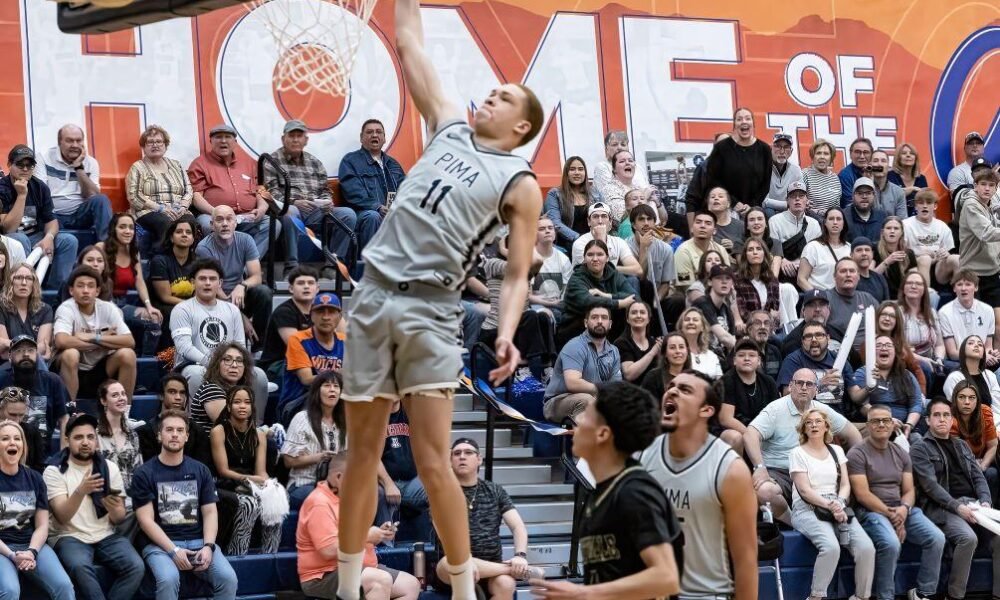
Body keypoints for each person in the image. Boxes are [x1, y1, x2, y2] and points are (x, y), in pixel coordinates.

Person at [337, 1, 546, 597]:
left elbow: (515, 274)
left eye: (505, 96)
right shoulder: (450, 124)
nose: (491, 95)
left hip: (432, 310)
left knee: (433, 462)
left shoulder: (521, 183)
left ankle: (459, 588)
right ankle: (349, 588)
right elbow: (410, 43)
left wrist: (505, 330)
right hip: (374, 296)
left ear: (521, 126)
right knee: (362, 454)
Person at [532, 382, 681, 599]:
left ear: (602, 434)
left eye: (585, 417)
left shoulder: (635, 493)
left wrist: (584, 593)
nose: (576, 423)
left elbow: (666, 577)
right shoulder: (603, 492)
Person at [640, 370, 757, 600]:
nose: (672, 391)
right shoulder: (642, 455)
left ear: (706, 410)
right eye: (671, 386)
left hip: (703, 594)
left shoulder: (730, 470)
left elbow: (746, 560)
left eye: (685, 390)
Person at [130, 409, 238, 600]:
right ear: (159, 435)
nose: (174, 434)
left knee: (228, 578)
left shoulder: (200, 470)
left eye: (180, 430)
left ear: (187, 436)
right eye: (169, 429)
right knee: (169, 579)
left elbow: (211, 512)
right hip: (160, 546)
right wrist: (173, 550)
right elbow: (145, 521)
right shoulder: (144, 473)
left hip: (198, 542)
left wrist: (208, 546)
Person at [848, 404, 945, 600]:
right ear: (868, 425)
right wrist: (892, 515)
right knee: (891, 543)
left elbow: (909, 490)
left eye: (886, 420)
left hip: (902, 509)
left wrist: (904, 509)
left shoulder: (901, 452)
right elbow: (862, 495)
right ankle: (885, 596)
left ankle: (923, 593)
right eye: (876, 421)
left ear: (893, 424)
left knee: (936, 538)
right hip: (871, 511)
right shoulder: (857, 453)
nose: (881, 424)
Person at [44, 412, 145, 600]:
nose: (85, 442)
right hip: (68, 536)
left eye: (90, 437)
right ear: (67, 440)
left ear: (97, 441)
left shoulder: (109, 467)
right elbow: (62, 517)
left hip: (105, 534)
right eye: (78, 437)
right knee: (80, 567)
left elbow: (119, 518)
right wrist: (81, 491)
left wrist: (114, 508)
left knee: (136, 567)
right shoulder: (54, 470)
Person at [296, 452, 421, 600]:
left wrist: (380, 533)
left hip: (361, 567)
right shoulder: (319, 502)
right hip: (324, 575)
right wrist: (367, 535)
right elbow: (328, 549)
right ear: (339, 478)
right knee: (379, 581)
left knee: (410, 585)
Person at [745, 368, 862, 525]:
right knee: (764, 491)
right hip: (781, 472)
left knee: (852, 481)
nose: (804, 387)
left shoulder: (821, 410)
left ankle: (842, 523)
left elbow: (853, 434)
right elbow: (750, 434)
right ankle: (795, 523)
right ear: (791, 386)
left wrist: (853, 466)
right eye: (799, 383)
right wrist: (759, 467)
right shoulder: (775, 408)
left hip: (814, 471)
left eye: (809, 384)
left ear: (816, 390)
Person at [910, 398, 1000, 600]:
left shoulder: (961, 444)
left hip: (975, 505)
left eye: (946, 415)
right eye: (937, 415)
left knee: (999, 537)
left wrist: (985, 500)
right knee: (968, 538)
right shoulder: (920, 448)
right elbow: (930, 487)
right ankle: (954, 595)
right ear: (927, 420)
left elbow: (978, 476)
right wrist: (958, 507)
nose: (942, 419)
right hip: (943, 507)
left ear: (952, 420)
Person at [789, 409, 875, 600]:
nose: (813, 425)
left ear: (826, 426)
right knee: (831, 547)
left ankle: (861, 596)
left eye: (818, 421)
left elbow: (844, 484)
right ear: (803, 428)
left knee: (866, 547)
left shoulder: (836, 451)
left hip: (837, 504)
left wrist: (840, 502)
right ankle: (816, 597)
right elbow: (804, 490)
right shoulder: (797, 452)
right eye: (809, 422)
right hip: (808, 507)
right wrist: (831, 505)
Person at [436, 438, 533, 598]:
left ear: (479, 459)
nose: (462, 456)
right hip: (453, 565)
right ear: (450, 460)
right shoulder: (442, 493)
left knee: (507, 584)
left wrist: (520, 555)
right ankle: (510, 569)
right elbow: (444, 537)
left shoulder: (494, 490)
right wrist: (467, 563)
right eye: (456, 453)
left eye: (468, 452)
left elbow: (518, 527)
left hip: (491, 568)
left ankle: (506, 570)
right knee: (450, 564)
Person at [170, 260, 269, 414]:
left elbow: (239, 346)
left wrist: (232, 364)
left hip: (229, 363)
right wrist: (213, 364)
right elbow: (184, 347)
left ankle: (255, 426)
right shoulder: (182, 309)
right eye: (202, 279)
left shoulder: (232, 310)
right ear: (192, 283)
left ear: (220, 283)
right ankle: (194, 427)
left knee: (259, 375)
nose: (207, 283)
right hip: (194, 364)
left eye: (212, 279)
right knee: (197, 374)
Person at [267, 119, 357, 270]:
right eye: (291, 135)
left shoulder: (314, 162)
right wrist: (294, 202)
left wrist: (327, 201)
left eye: (299, 135)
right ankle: (292, 266)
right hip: (287, 209)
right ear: (283, 139)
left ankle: (332, 266)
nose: (295, 139)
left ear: (306, 140)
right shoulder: (272, 160)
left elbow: (325, 189)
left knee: (348, 214)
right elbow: (269, 191)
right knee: (290, 212)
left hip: (316, 210)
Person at [0, 420, 74, 599]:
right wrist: (12, 555)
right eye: (5, 438)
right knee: (10, 590)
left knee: (64, 586)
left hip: (30, 544)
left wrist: (31, 552)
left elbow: (42, 526)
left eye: (17, 438)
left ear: (23, 445)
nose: (12, 442)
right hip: (3, 548)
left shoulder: (35, 478)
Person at [210, 385, 282, 555]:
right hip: (226, 483)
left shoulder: (259, 434)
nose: (242, 406)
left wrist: (268, 485)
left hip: (251, 483)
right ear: (228, 406)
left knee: (277, 499)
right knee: (248, 504)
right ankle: (237, 554)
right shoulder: (219, 431)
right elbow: (223, 470)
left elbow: (261, 471)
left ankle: (269, 555)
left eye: (247, 402)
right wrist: (249, 479)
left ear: (252, 407)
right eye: (237, 402)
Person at [188, 123, 276, 257]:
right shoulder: (200, 164)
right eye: (218, 137)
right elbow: (196, 197)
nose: (223, 140)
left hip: (247, 215)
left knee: (272, 224)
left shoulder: (249, 163)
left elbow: (260, 191)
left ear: (235, 142)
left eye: (227, 137)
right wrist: (215, 212)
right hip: (214, 214)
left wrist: (262, 208)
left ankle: (247, 266)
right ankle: (222, 267)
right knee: (206, 224)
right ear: (211, 141)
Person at [195, 205, 273, 349]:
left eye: (229, 219)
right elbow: (211, 286)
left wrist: (241, 286)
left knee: (263, 292)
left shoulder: (246, 240)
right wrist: (241, 317)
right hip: (215, 300)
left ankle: (259, 347)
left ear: (235, 222)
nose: (225, 223)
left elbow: (256, 277)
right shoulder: (204, 248)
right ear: (212, 225)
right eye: (219, 220)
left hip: (239, 297)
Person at [52, 266, 136, 400]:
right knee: (70, 353)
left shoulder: (108, 308)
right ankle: (69, 411)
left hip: (100, 370)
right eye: (80, 286)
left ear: (97, 291)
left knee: (128, 354)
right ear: (71, 290)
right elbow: (62, 341)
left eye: (90, 286)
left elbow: (129, 341)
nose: (85, 291)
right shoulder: (66, 308)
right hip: (72, 369)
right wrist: (105, 341)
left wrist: (93, 337)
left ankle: (124, 414)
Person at [0, 145, 76, 290]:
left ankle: (56, 292)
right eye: (20, 164)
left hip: (35, 236)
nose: (25, 169)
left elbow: (51, 221)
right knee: (21, 240)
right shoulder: (2, 188)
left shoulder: (40, 187)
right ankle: (22, 287)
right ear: (9, 165)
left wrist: (49, 238)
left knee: (69, 241)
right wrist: (22, 195)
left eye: (30, 165)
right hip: (7, 240)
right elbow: (9, 228)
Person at [338, 119, 407, 254]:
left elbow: (406, 189)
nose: (375, 135)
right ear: (361, 138)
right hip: (363, 213)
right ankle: (369, 266)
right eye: (369, 132)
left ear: (384, 138)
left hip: (389, 212)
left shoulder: (393, 164)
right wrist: (378, 207)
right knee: (373, 216)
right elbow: (354, 193)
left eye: (378, 132)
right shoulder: (350, 161)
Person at [544, 305, 622, 423]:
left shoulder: (614, 351)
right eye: (594, 317)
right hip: (559, 401)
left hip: (595, 398)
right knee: (587, 401)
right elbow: (573, 383)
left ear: (610, 324)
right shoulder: (575, 346)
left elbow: (615, 386)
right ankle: (587, 439)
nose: (600, 321)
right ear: (586, 323)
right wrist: (603, 390)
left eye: (604, 317)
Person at [35, 124, 113, 242]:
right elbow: (40, 193)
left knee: (101, 200)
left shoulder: (91, 162)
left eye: (78, 140)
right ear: (60, 142)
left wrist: (79, 168)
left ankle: (107, 247)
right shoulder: (44, 158)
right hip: (52, 215)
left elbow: (92, 195)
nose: (75, 145)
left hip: (79, 215)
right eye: (69, 141)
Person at [98, 212, 163, 351]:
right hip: (101, 304)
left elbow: (139, 280)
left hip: (122, 304)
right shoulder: (101, 248)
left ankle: (146, 365)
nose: (128, 231)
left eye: (131, 227)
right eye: (122, 227)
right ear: (113, 229)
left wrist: (149, 306)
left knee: (154, 320)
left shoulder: (134, 252)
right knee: (115, 318)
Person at [281, 371, 346, 509]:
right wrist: (320, 457)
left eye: (336, 386)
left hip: (337, 483)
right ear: (317, 391)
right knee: (324, 498)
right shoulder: (302, 418)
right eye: (327, 386)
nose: (332, 389)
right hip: (304, 483)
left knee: (374, 493)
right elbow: (288, 460)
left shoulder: (346, 422)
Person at [126, 125, 194, 247]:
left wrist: (183, 207)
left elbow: (188, 190)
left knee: (190, 224)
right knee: (166, 223)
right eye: (150, 142)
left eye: (159, 141)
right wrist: (161, 208)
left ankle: (188, 262)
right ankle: (163, 260)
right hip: (150, 212)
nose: (155, 145)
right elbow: (134, 197)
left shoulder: (176, 165)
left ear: (165, 145)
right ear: (143, 147)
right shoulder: (138, 167)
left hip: (178, 210)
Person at [280, 292, 345, 419]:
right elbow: (307, 380)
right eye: (320, 311)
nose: (326, 317)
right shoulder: (298, 340)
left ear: (339, 317)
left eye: (331, 312)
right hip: (299, 404)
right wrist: (343, 372)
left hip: (335, 400)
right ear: (312, 315)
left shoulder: (346, 342)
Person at [557, 240, 633, 344]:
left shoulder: (613, 274)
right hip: (576, 330)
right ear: (584, 259)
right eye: (590, 255)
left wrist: (607, 295)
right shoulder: (577, 278)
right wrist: (619, 303)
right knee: (595, 313)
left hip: (608, 329)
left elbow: (634, 297)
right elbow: (588, 301)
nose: (595, 259)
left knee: (627, 311)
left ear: (607, 258)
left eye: (600, 254)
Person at [777, 320, 861, 413]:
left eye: (819, 335)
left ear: (828, 338)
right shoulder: (793, 360)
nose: (814, 339)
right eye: (808, 336)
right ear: (802, 341)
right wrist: (819, 386)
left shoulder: (839, 360)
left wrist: (869, 387)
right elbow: (786, 396)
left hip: (837, 418)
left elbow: (855, 395)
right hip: (805, 418)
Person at [852, 336, 924, 434]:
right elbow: (862, 405)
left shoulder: (907, 375)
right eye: (878, 345)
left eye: (888, 345)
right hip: (877, 425)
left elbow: (916, 403)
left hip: (905, 426)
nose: (884, 348)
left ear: (895, 352)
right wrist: (887, 420)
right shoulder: (862, 373)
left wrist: (909, 425)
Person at [137, 374, 211, 466]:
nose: (178, 397)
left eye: (182, 393)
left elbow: (203, 470)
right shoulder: (144, 432)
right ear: (161, 395)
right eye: (172, 392)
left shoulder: (198, 431)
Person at [705, 108, 771, 210]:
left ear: (753, 124)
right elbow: (713, 179)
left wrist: (752, 206)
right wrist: (733, 202)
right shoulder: (721, 148)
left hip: (754, 209)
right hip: (726, 207)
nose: (744, 121)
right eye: (739, 119)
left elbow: (766, 183)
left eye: (748, 118)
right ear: (734, 125)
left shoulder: (764, 149)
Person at [260, 265, 318, 380]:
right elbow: (298, 347)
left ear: (317, 288)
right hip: (278, 366)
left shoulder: (322, 311)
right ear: (291, 288)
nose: (306, 286)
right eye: (301, 283)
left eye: (311, 283)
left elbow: (342, 338)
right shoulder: (284, 312)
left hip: (311, 360)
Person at [189, 342, 258, 437]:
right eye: (227, 360)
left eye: (239, 360)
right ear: (217, 364)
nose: (234, 365)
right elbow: (230, 426)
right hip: (210, 448)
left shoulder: (241, 392)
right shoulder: (211, 389)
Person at [719, 337, 779, 439]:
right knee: (734, 436)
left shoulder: (768, 382)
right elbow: (726, 419)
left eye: (752, 355)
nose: (747, 358)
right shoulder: (727, 380)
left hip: (763, 431)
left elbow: (777, 414)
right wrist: (751, 435)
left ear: (759, 361)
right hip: (737, 432)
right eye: (741, 355)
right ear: (734, 360)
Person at [958, 169, 1000, 314]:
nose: (987, 188)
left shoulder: (992, 205)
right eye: (983, 184)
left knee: (998, 322)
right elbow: (987, 233)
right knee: (976, 323)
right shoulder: (971, 205)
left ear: (996, 188)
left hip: (992, 271)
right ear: (975, 186)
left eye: (991, 185)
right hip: (972, 272)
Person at [95, 379, 144, 504]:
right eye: (115, 395)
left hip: (132, 500)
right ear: (103, 401)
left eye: (123, 394)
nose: (121, 398)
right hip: (105, 499)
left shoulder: (133, 435)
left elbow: (139, 471)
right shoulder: (94, 434)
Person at [148, 215, 199, 330]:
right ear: (171, 238)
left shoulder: (197, 263)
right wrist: (190, 307)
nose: (184, 234)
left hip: (190, 305)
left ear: (193, 239)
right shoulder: (160, 261)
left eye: (188, 232)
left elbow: (198, 293)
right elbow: (165, 297)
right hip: (166, 306)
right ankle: (169, 349)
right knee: (177, 314)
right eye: (179, 231)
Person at [949, 380, 999, 498]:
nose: (967, 402)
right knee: (991, 474)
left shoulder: (984, 412)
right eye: (962, 397)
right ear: (955, 399)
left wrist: (983, 465)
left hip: (982, 461)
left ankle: (990, 509)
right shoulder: (949, 418)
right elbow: (958, 455)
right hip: (960, 467)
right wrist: (975, 466)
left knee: (991, 473)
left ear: (977, 400)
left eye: (972, 398)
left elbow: (993, 445)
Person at [939, 270, 1000, 365]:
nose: (963, 288)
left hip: (981, 360)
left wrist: (991, 353)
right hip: (957, 362)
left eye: (968, 284)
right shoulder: (945, 312)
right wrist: (982, 356)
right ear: (954, 289)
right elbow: (952, 353)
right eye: (959, 285)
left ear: (976, 287)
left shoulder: (987, 310)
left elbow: (988, 347)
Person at [569, 202, 641, 276]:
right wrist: (601, 239)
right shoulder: (580, 243)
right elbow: (595, 272)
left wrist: (612, 269)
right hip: (587, 284)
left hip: (612, 283)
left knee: (632, 280)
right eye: (595, 217)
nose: (600, 221)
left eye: (604, 216)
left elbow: (637, 270)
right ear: (589, 222)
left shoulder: (618, 241)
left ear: (610, 222)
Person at [0, 264, 53, 364]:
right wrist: (32, 350)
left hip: (35, 364)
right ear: (10, 282)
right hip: (6, 365)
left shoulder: (45, 310)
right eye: (18, 278)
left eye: (28, 278)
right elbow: (3, 353)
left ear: (34, 283)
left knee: (51, 377)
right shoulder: (1, 307)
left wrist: (9, 343)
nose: (24, 283)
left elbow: (43, 347)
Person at [904, 190, 958, 287]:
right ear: (916, 206)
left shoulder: (943, 226)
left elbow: (948, 251)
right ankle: (926, 298)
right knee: (925, 259)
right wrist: (919, 254)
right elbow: (903, 252)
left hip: (938, 268)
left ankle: (961, 296)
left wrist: (946, 253)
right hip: (915, 266)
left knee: (956, 258)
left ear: (935, 206)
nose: (925, 206)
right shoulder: (905, 224)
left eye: (929, 203)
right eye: (921, 203)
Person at [899, 270, 945, 385]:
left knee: (957, 368)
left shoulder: (932, 313)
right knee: (925, 368)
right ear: (903, 288)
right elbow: (896, 347)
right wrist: (923, 360)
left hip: (932, 358)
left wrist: (939, 359)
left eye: (918, 284)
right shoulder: (897, 312)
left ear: (924, 289)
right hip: (907, 360)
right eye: (909, 283)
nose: (913, 286)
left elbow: (940, 344)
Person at [770, 181, 822, 282]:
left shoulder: (814, 224)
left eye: (801, 196)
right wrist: (782, 261)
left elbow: (817, 252)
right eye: (793, 196)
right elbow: (772, 249)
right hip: (782, 270)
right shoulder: (775, 221)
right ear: (787, 200)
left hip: (808, 272)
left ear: (807, 200)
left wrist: (802, 263)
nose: (797, 199)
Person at [872, 301, 928, 394]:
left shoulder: (902, 345)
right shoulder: (869, 343)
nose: (887, 318)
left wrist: (922, 395)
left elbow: (917, 370)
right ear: (877, 317)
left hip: (902, 391)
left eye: (892, 316)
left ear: (897, 321)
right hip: (877, 392)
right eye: (883, 314)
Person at [543, 156, 599, 247]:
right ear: (566, 173)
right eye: (572, 169)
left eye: (580, 169)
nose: (577, 172)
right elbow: (555, 222)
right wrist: (579, 238)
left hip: (593, 244)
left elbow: (604, 218)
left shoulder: (595, 194)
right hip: (565, 246)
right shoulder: (554, 194)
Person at [943, 335, 1000, 421]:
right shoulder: (954, 377)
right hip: (967, 425)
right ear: (962, 351)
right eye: (971, 343)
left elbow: (997, 407)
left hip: (991, 423)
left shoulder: (990, 376)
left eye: (980, 345)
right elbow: (957, 410)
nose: (976, 345)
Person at [827, 258, 879, 350]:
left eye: (852, 271)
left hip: (871, 352)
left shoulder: (868, 298)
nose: (848, 275)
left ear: (858, 276)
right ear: (834, 276)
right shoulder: (825, 299)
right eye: (843, 271)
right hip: (839, 352)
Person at [674, 211, 731, 293]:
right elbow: (687, 287)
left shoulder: (720, 250)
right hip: (689, 297)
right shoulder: (683, 251)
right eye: (698, 222)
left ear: (714, 231)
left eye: (708, 223)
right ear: (692, 228)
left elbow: (727, 277)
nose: (702, 226)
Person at [529, 216, 573, 321]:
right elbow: (527, 296)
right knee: (544, 317)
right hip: (534, 306)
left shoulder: (563, 259)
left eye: (550, 228)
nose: (547, 231)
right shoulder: (528, 258)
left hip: (559, 305)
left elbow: (567, 290)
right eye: (542, 229)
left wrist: (560, 302)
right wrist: (546, 303)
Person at [798, 207, 852, 291]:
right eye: (831, 219)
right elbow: (801, 279)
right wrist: (818, 297)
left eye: (838, 219)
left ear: (844, 223)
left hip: (843, 299)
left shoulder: (850, 248)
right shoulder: (813, 247)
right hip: (819, 299)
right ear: (825, 222)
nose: (835, 222)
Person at [781, 289, 845, 357]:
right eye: (812, 305)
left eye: (822, 304)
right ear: (803, 311)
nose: (817, 309)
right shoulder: (793, 341)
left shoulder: (838, 331)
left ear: (829, 310)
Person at [0, 387, 49, 473]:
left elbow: (39, 465)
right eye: (12, 414)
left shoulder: (32, 432)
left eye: (21, 415)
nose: (17, 420)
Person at [691, 265, 737, 354]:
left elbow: (732, 337)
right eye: (719, 278)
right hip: (700, 355)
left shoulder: (726, 308)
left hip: (719, 357)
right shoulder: (702, 304)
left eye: (728, 278)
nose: (724, 282)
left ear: (732, 284)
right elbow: (724, 337)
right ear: (709, 282)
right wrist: (744, 348)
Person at [733, 238, 779, 324]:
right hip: (747, 328)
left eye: (758, 249)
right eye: (750, 250)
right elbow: (742, 312)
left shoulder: (772, 280)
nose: (755, 252)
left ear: (764, 253)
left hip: (768, 329)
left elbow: (775, 312)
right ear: (745, 255)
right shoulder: (737, 280)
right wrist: (763, 320)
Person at [614, 302, 660, 383]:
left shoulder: (654, 343)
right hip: (631, 393)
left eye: (642, 312)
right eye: (634, 312)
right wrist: (653, 352)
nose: (638, 316)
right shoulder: (621, 343)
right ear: (627, 319)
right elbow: (629, 374)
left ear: (648, 319)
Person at [872, 217, 915, 298]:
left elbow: (914, 277)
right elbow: (870, 278)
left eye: (896, 228)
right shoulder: (874, 249)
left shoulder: (908, 253)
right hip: (880, 295)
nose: (892, 231)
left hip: (902, 296)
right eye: (888, 228)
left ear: (902, 232)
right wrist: (887, 261)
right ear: (882, 232)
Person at [640, 332, 690, 401]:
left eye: (681, 347)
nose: (678, 351)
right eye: (672, 347)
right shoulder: (653, 377)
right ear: (665, 353)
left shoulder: (694, 377)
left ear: (687, 351)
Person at [676, 307, 723, 380]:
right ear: (681, 327)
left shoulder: (712, 355)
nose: (691, 322)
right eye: (687, 320)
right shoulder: (677, 353)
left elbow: (720, 382)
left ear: (702, 327)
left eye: (695, 320)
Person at [763, 132, 802, 215]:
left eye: (786, 147)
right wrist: (787, 204)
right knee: (768, 211)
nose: (782, 151)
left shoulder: (796, 170)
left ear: (791, 151)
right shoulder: (761, 167)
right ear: (771, 149)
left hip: (789, 210)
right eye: (778, 146)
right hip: (767, 210)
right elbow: (762, 200)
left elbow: (799, 196)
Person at [802, 139, 842, 219]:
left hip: (830, 221)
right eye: (818, 153)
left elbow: (837, 207)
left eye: (826, 154)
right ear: (813, 157)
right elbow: (800, 203)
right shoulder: (805, 174)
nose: (822, 157)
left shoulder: (835, 178)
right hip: (810, 220)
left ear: (831, 158)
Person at [844, 178, 887, 244]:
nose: (864, 196)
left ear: (874, 196)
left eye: (868, 193)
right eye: (860, 193)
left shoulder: (882, 217)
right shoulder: (844, 217)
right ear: (853, 196)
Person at [888, 142, 929, 210]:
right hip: (895, 217)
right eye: (904, 153)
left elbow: (927, 202)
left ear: (915, 158)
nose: (908, 155)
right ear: (898, 157)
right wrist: (906, 191)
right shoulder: (890, 176)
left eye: (912, 153)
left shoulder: (921, 178)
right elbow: (887, 201)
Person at [868, 150, 907, 218]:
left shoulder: (898, 192)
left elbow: (902, 221)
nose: (879, 164)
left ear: (889, 167)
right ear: (870, 165)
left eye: (883, 161)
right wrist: (869, 184)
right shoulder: (862, 189)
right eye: (875, 161)